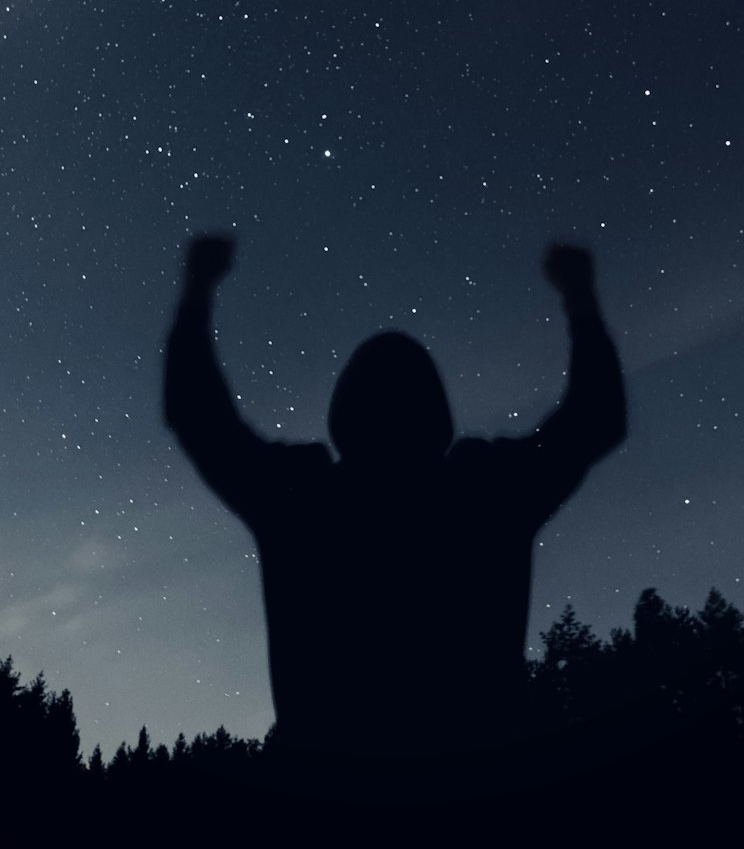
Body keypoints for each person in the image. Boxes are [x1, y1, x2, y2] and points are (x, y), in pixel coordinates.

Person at [164, 235, 625, 808]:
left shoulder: (301, 499)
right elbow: (596, 416)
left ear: (344, 416)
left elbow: (198, 417)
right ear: (437, 415)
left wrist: (196, 291)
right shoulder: (487, 492)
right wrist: (579, 297)